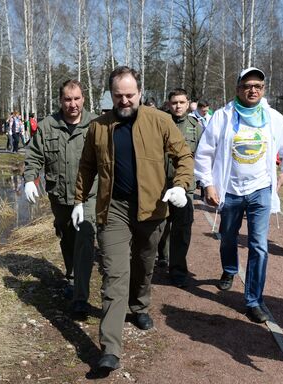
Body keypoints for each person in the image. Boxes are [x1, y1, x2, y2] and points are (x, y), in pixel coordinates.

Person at [73, 66, 193, 372]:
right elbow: (87, 167)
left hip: (152, 208)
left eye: (130, 95)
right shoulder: (99, 127)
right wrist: (78, 200)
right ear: (111, 95)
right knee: (114, 275)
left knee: (144, 263)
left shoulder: (161, 121)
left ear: (140, 93)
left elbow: (184, 157)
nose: (124, 101)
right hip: (113, 208)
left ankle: (139, 305)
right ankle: (110, 348)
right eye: (118, 96)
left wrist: (180, 185)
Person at [194, 67, 283, 323]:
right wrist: (208, 184)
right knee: (228, 236)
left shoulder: (273, 118)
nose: (253, 90)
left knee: (259, 246)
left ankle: (253, 301)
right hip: (231, 190)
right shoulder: (223, 117)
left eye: (258, 86)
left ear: (263, 90)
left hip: (260, 190)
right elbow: (204, 152)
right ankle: (229, 269)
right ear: (238, 88)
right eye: (248, 85)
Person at [24, 79, 98, 319]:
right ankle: (74, 276)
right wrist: (29, 178)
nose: (73, 104)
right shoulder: (48, 126)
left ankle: (80, 297)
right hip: (59, 196)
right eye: (68, 99)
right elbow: (34, 154)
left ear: (83, 99)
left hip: (88, 195)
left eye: (77, 99)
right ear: (61, 101)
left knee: (85, 237)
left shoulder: (96, 124)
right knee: (67, 237)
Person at [157, 88, 203, 286]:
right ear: (168, 104)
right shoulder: (159, 123)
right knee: (159, 226)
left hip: (185, 186)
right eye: (174, 102)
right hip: (160, 184)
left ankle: (177, 270)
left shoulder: (195, 127)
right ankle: (161, 256)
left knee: (182, 229)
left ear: (188, 103)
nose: (178, 106)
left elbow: (202, 155)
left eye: (181, 102)